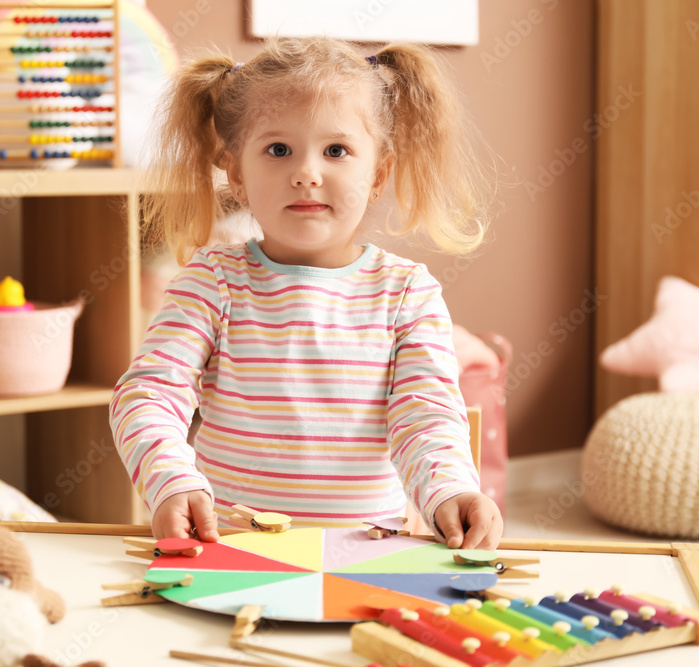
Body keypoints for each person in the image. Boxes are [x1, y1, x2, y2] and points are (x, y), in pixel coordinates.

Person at [110, 36, 502, 550]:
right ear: (237, 175)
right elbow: (149, 394)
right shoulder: (212, 281)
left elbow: (425, 414)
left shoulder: (408, 292)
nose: (306, 173)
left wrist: (450, 488)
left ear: (378, 174)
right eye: (278, 150)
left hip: (366, 553)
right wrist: (171, 481)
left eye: (336, 150)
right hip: (229, 547)